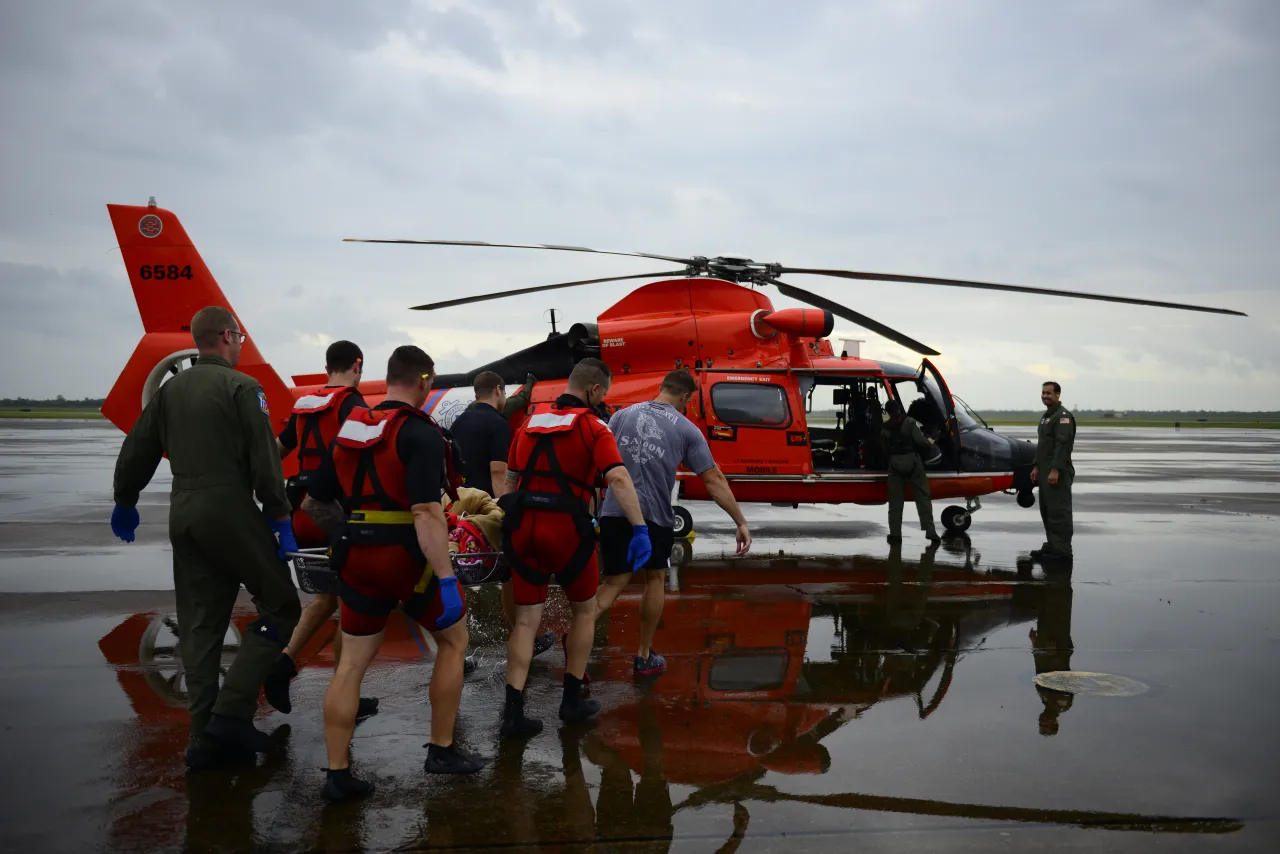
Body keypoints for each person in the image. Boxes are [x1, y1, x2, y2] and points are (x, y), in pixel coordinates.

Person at [109, 305, 302, 770]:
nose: (240, 342)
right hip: (229, 508)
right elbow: (263, 460)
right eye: (238, 335)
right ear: (225, 337)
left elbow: (138, 448)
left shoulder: (171, 389)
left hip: (185, 512)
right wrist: (279, 516)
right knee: (282, 606)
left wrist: (126, 498)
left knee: (200, 626)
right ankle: (231, 712)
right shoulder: (243, 388)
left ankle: (202, 743)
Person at [303, 345, 482, 801]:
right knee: (455, 640)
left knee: (350, 666)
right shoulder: (420, 433)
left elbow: (313, 502)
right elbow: (425, 510)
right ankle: (441, 750)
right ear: (423, 381)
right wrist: (445, 577)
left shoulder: (351, 428)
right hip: (406, 558)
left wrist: (347, 536)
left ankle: (337, 774)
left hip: (358, 557)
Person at [498, 358, 650, 738]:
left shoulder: (528, 424)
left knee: (526, 621)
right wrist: (640, 527)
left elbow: (510, 478)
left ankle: (513, 714)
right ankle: (571, 701)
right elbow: (616, 476)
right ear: (595, 390)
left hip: (524, 530)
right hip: (567, 532)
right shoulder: (594, 427)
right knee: (583, 612)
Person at [594, 369, 752, 676]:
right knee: (655, 580)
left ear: (661, 388)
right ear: (686, 397)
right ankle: (643, 655)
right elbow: (713, 478)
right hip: (654, 517)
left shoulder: (621, 417)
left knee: (613, 583)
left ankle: (578, 637)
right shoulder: (687, 429)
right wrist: (740, 520)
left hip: (615, 511)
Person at [263, 340, 375, 719]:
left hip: (301, 515)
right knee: (350, 607)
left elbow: (275, 450)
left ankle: (283, 661)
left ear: (327, 366)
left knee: (326, 598)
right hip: (336, 519)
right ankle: (346, 697)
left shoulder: (306, 407)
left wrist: (263, 491)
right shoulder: (353, 405)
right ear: (357, 365)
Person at [451, 371, 558, 660]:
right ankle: (523, 636)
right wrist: (504, 507)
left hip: (460, 508)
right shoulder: (497, 424)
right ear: (498, 390)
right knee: (510, 573)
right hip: (486, 510)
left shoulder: (459, 422)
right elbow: (499, 471)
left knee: (458, 576)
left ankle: (457, 651)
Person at [880, 399, 941, 544]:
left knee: (895, 502)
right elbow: (921, 442)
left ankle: (895, 535)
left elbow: (882, 449)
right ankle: (930, 531)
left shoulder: (885, 428)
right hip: (913, 463)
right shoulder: (910, 422)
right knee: (923, 497)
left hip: (894, 464)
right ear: (899, 409)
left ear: (888, 412)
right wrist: (931, 441)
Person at [1030, 381, 1076, 561]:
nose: (1045, 396)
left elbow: (1063, 445)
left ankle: (1062, 551)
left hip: (1057, 470)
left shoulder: (1063, 417)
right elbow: (1043, 445)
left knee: (1059, 511)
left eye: (1049, 393)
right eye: (1043, 393)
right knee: (1047, 510)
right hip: (1045, 470)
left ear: (1058, 394)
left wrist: (1056, 469)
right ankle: (1052, 545)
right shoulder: (1047, 416)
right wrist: (1036, 466)